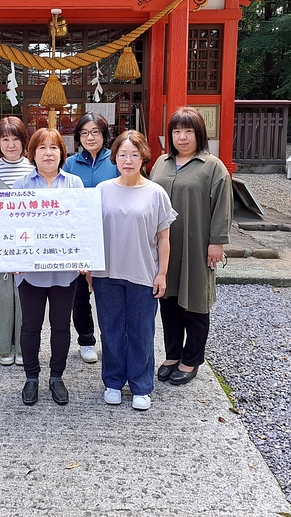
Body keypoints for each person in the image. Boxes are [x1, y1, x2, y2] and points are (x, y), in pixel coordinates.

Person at [91, 130, 176, 411]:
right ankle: (113, 382)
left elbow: (164, 237)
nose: (128, 160)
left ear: (144, 158)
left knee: (142, 330)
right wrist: (89, 266)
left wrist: (162, 273)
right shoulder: (102, 190)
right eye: (123, 154)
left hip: (143, 271)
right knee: (111, 329)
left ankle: (141, 385)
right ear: (114, 157)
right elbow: (90, 232)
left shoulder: (156, 193)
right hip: (107, 273)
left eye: (134, 154)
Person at [150, 106, 233, 386]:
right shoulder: (161, 163)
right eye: (176, 131)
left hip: (197, 245)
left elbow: (223, 207)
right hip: (165, 247)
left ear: (199, 134)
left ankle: (191, 359)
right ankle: (172, 355)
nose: (182, 137)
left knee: (196, 303)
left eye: (188, 131)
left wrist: (217, 242)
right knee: (169, 301)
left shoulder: (212, 166)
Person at [11, 128, 84, 406]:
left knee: (61, 326)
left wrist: (84, 255)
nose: (48, 153)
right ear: (32, 153)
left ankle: (56, 376)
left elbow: (81, 224)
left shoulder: (74, 184)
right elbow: (12, 226)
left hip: (64, 269)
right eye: (42, 147)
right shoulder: (21, 185)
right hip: (30, 270)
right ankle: (31, 377)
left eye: (54, 147)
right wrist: (13, 258)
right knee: (30, 326)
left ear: (62, 153)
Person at [63, 112, 118, 365]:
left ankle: (112, 339)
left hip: (111, 234)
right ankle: (86, 340)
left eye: (95, 131)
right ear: (78, 137)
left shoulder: (116, 160)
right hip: (79, 236)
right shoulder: (70, 164)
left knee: (108, 291)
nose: (90, 137)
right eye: (84, 132)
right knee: (80, 293)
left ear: (104, 134)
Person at [0, 116, 33, 366]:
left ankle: (23, 345)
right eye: (5, 139)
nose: (10, 144)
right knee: (1, 293)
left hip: (29, 240)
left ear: (24, 142)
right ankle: (3, 346)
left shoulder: (34, 170)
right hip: (0, 240)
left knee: (25, 292)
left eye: (16, 139)